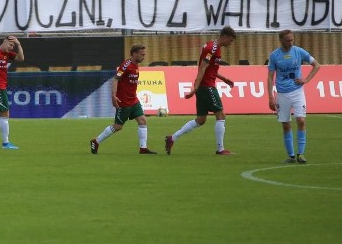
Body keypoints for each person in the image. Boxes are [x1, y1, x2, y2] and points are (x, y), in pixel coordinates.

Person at [165, 26, 237, 155]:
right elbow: (202, 68)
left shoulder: (213, 46)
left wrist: (224, 79)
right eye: (230, 41)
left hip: (204, 85)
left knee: (201, 119)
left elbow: (210, 69)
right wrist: (195, 88)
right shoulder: (212, 48)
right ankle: (220, 149)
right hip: (206, 86)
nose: (231, 44)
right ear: (225, 36)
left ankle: (172, 138)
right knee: (220, 115)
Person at [90, 44, 157, 155]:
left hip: (133, 100)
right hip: (124, 102)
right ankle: (96, 141)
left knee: (142, 120)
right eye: (142, 54)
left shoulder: (135, 64)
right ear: (135, 54)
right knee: (118, 126)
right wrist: (113, 95)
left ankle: (143, 148)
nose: (144, 57)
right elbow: (115, 79)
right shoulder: (126, 66)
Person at [267, 29, 321, 164]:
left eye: (292, 39)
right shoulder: (275, 56)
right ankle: (291, 156)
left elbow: (316, 65)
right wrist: (271, 97)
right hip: (282, 93)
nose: (291, 42)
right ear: (281, 41)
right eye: (288, 40)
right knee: (286, 124)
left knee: (301, 121)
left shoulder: (298, 51)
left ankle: (301, 154)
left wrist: (306, 80)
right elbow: (269, 77)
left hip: (297, 92)